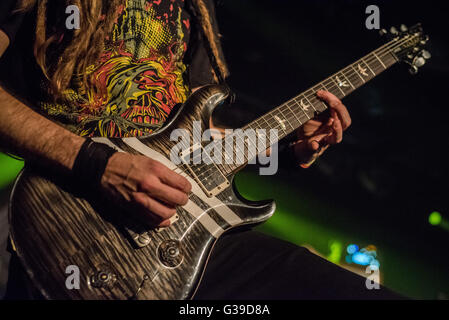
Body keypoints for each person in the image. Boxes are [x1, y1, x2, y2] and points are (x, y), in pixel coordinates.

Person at [0, 0, 401, 299]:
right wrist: (96, 163)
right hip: (70, 224)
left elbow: (196, 143)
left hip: (186, 239)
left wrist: (288, 149)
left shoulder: (195, 8)